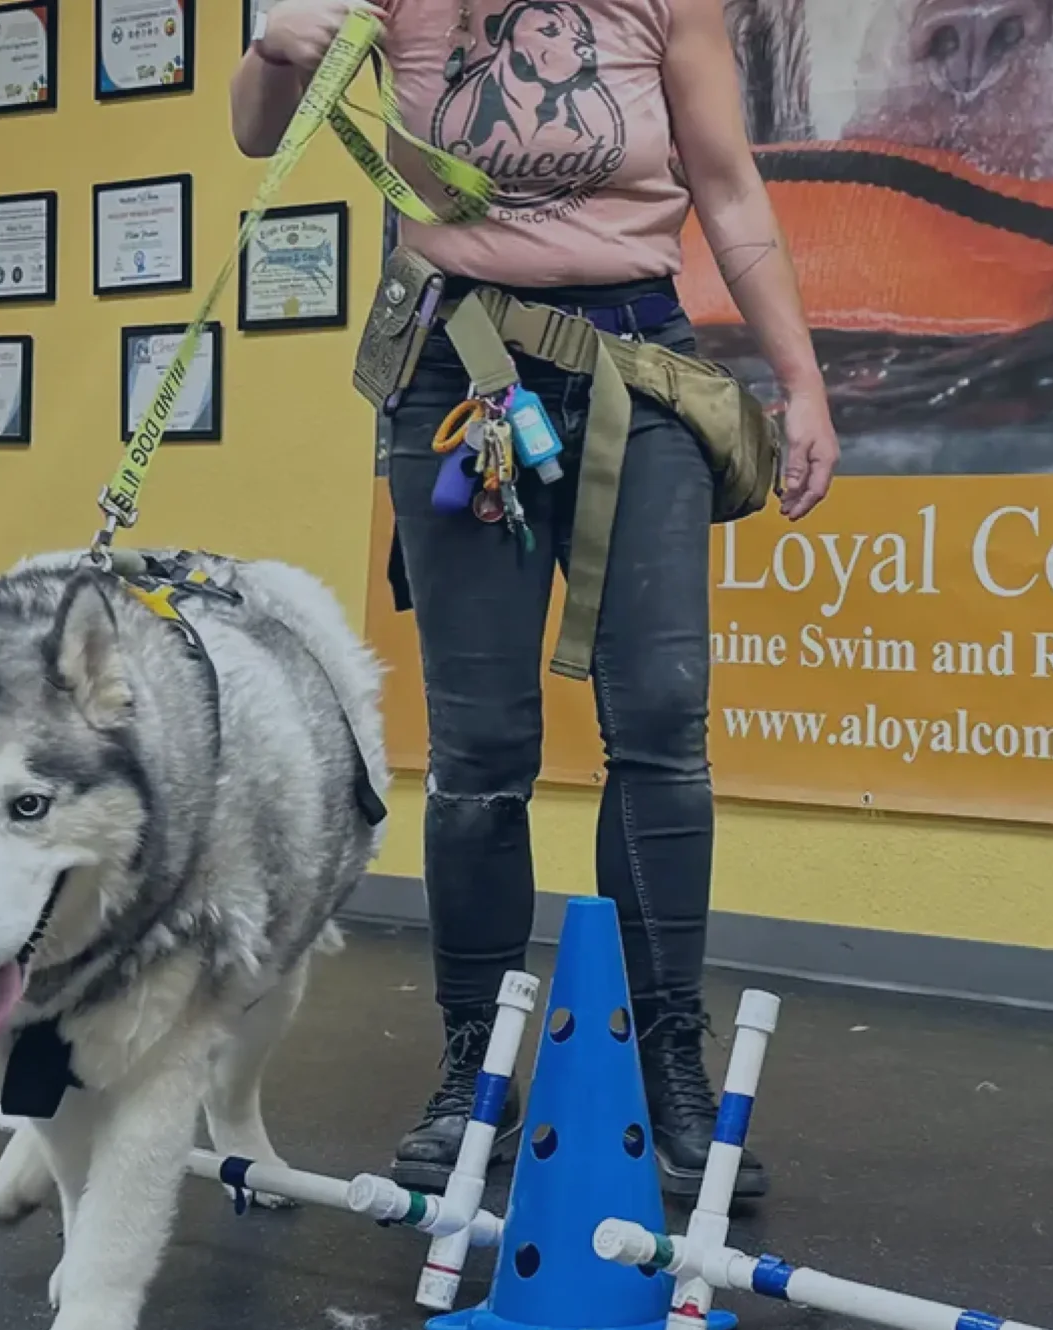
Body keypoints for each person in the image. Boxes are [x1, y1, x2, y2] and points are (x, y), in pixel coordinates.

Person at [231, 0, 839, 1203]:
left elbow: (728, 190)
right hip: (460, 375)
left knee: (662, 722)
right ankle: (475, 1062)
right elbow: (260, 135)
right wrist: (266, 54)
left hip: (639, 367)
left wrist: (803, 387)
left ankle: (662, 1054)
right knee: (481, 747)